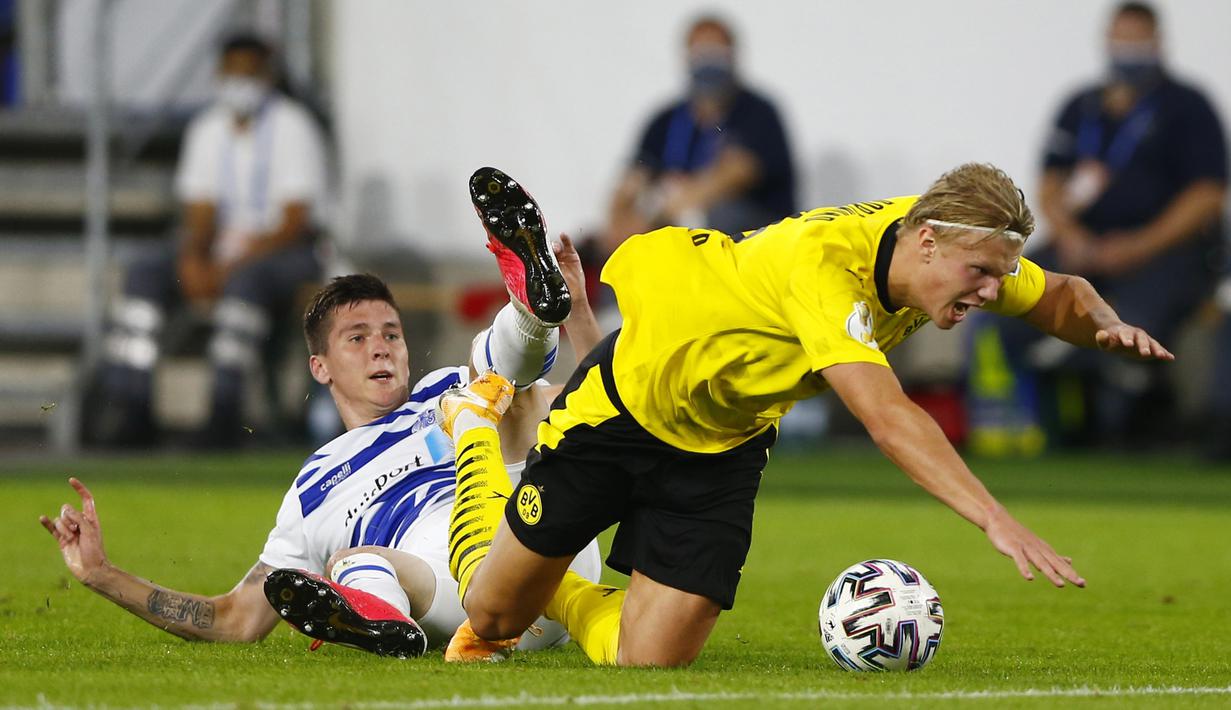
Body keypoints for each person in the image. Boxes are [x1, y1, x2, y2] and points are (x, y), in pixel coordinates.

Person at [439, 162, 1174, 667]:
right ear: (926, 242)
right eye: (980, 274)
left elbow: (1060, 293)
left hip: (724, 440)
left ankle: (565, 584)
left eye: (999, 274)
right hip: (622, 411)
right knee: (494, 619)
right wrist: (993, 518)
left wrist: (1106, 326)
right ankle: (476, 420)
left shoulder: (949, 243)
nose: (990, 290)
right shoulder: (828, 273)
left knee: (650, 660)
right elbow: (888, 418)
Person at [40, 194, 605, 656]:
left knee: (501, 391)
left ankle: (531, 309)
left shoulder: (441, 389)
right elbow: (236, 617)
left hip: (538, 542)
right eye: (357, 338)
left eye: (391, 335)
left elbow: (596, 405)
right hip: (462, 598)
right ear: (320, 367)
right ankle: (383, 624)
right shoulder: (313, 488)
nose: (381, 348)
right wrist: (102, 575)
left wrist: (577, 311)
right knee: (354, 564)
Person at [90, 32, 329, 447]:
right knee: (145, 274)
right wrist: (193, 259)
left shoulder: (293, 126)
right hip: (224, 253)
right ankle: (132, 406)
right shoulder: (207, 129)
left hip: (286, 253)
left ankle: (224, 411)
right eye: (231, 73)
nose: (239, 84)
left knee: (246, 284)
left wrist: (228, 266)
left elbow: (294, 222)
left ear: (267, 76)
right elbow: (199, 213)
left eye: (248, 74)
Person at [1014, 1, 1227, 446]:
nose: (1126, 49)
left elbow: (1207, 195)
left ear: (1157, 43)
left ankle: (1124, 421)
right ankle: (1037, 422)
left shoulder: (1188, 106)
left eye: (1136, 40)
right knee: (1012, 287)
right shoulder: (1081, 105)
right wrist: (1071, 235)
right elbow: (1050, 182)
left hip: (1163, 252)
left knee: (1133, 321)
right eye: (1120, 39)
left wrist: (1140, 246)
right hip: (1084, 246)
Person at [605, 15, 795, 254]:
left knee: (719, 217)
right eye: (701, 51)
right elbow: (632, 179)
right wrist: (620, 219)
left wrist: (675, 204)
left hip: (748, 237)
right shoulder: (665, 120)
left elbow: (738, 172)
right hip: (677, 223)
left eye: (716, 51)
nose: (708, 60)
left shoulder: (757, 112)